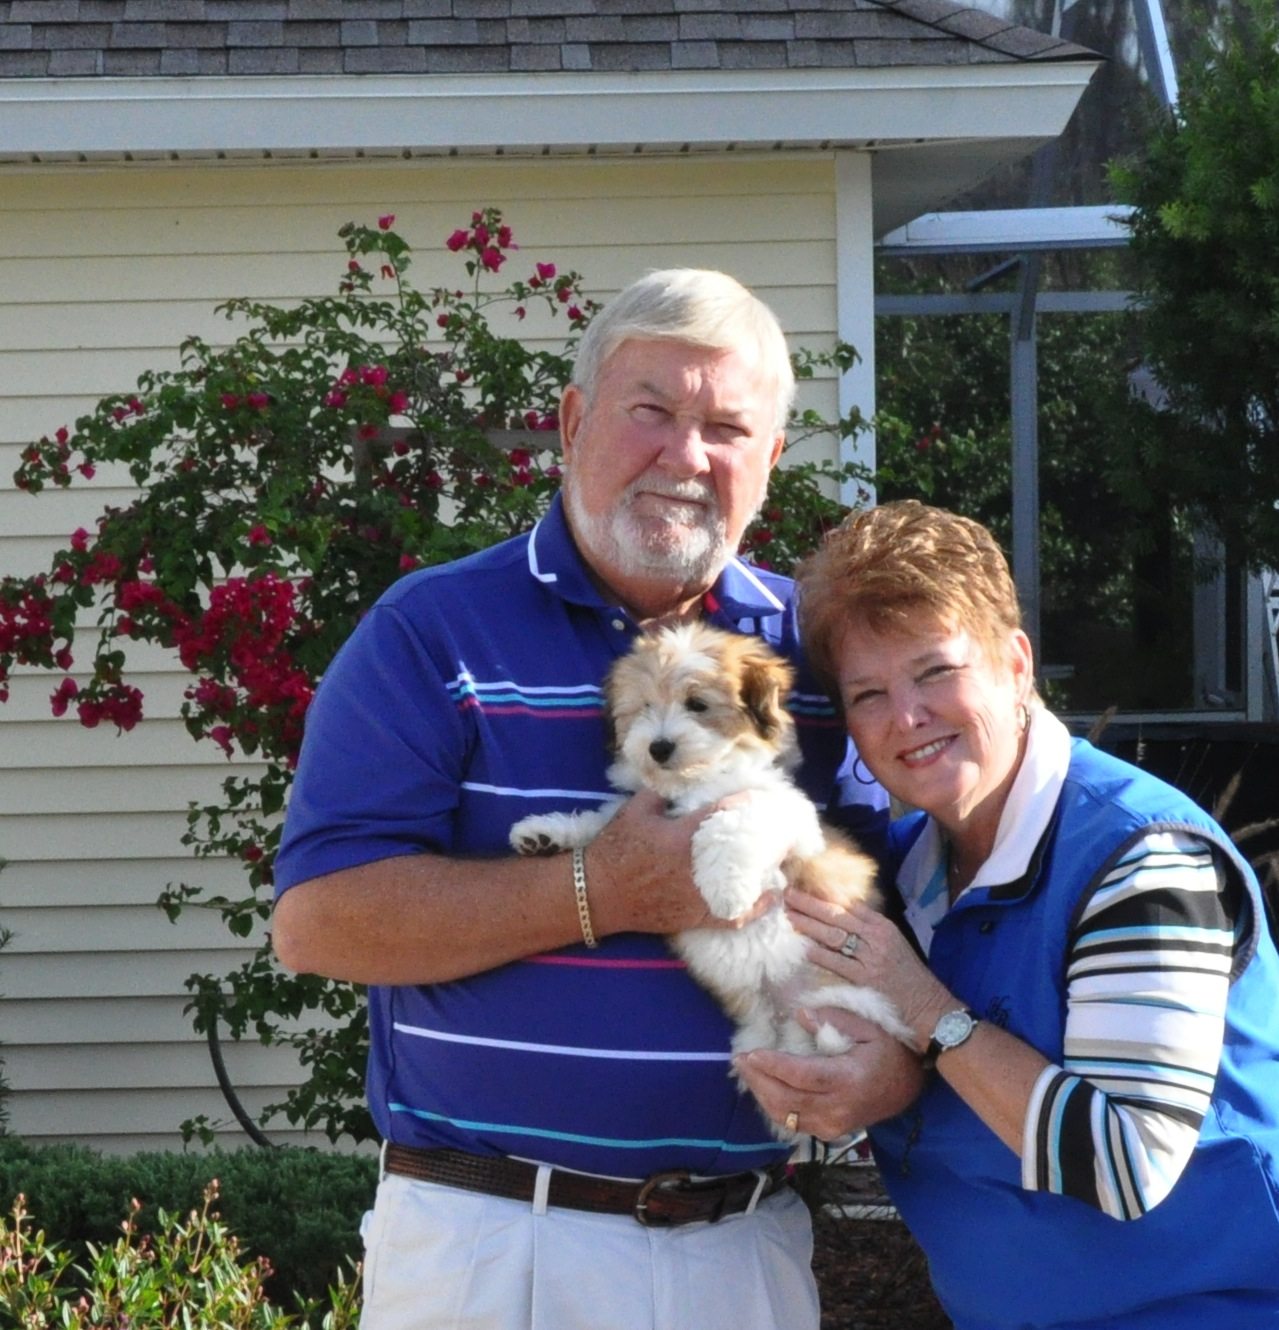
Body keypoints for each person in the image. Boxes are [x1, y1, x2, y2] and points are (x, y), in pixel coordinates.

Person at [270, 269, 907, 1330]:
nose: (686, 455)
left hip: (740, 1245)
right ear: (572, 421)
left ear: (770, 461)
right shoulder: (431, 632)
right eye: (651, 410)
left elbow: (909, 895)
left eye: (727, 427)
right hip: (491, 1247)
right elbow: (317, 920)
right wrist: (598, 889)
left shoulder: (815, 653)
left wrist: (889, 1066)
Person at [737, 499, 1279, 1330]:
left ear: (1016, 665)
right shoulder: (906, 866)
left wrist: (925, 1011)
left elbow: (1125, 1164)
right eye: (868, 693)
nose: (906, 718)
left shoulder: (1139, 859)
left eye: (934, 672)